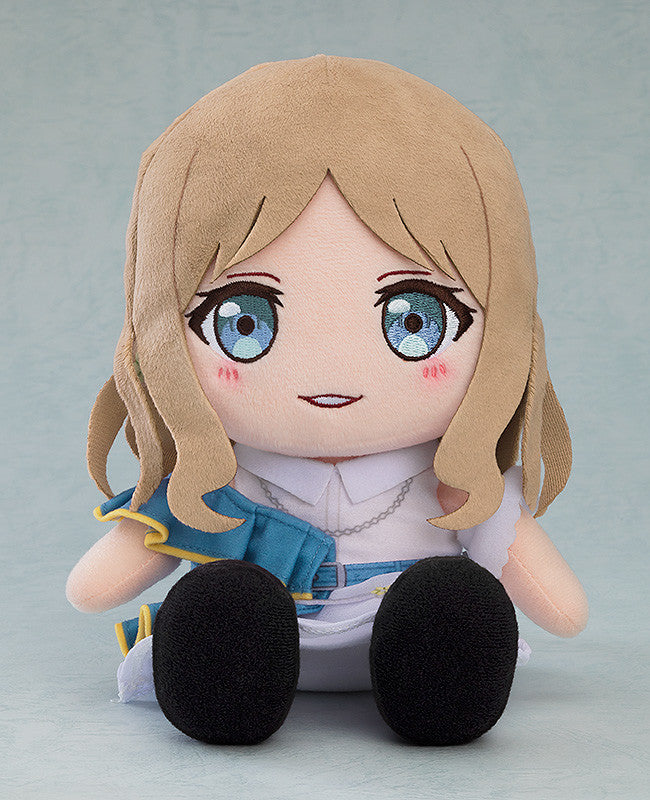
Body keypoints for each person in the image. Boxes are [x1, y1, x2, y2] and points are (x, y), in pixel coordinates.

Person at [66, 55, 588, 747]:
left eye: (415, 319)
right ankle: (224, 684)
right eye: (244, 320)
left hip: (408, 635)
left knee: (452, 604)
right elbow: (95, 585)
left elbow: (557, 604)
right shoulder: (212, 481)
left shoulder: (456, 484)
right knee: (224, 601)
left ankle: (439, 684)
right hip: (261, 638)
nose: (332, 368)